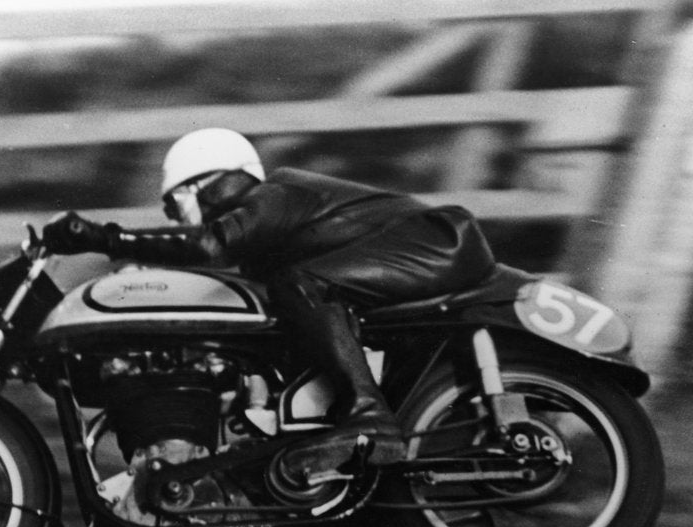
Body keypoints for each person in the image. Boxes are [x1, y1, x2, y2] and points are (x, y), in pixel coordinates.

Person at [42, 127, 497, 477]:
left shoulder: (272, 194)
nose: (173, 217)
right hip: (423, 250)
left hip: (438, 241)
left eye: (172, 205)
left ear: (194, 187)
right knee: (284, 300)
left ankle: (370, 420)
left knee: (301, 285)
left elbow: (209, 244)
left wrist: (103, 238)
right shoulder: (268, 226)